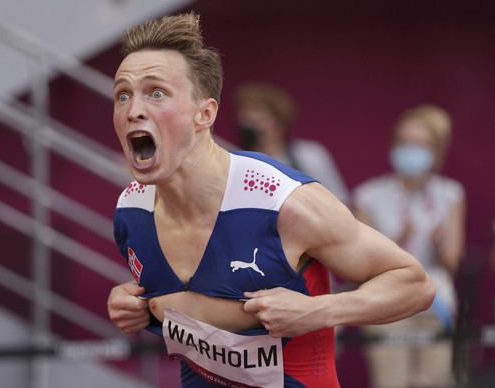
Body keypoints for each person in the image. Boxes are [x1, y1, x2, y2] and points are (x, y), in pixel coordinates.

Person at [107, 12, 435, 388]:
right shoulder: (130, 212)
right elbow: (189, 303)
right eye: (123, 95)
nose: (133, 110)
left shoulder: (283, 202)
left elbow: (415, 284)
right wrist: (135, 306)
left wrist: (319, 310)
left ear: (205, 113)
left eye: (156, 92)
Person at [352, 104, 466, 388]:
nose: (410, 150)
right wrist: (397, 243)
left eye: (420, 145)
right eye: (404, 143)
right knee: (390, 382)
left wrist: (439, 240)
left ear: (436, 152)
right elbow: (359, 265)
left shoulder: (450, 194)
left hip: (437, 304)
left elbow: (452, 262)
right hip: (387, 304)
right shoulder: (368, 196)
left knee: (437, 382)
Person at [234, 82, 349, 204]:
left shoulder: (309, 155)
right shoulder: (237, 163)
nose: (249, 126)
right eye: (245, 119)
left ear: (279, 124)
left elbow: (338, 201)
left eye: (258, 120)